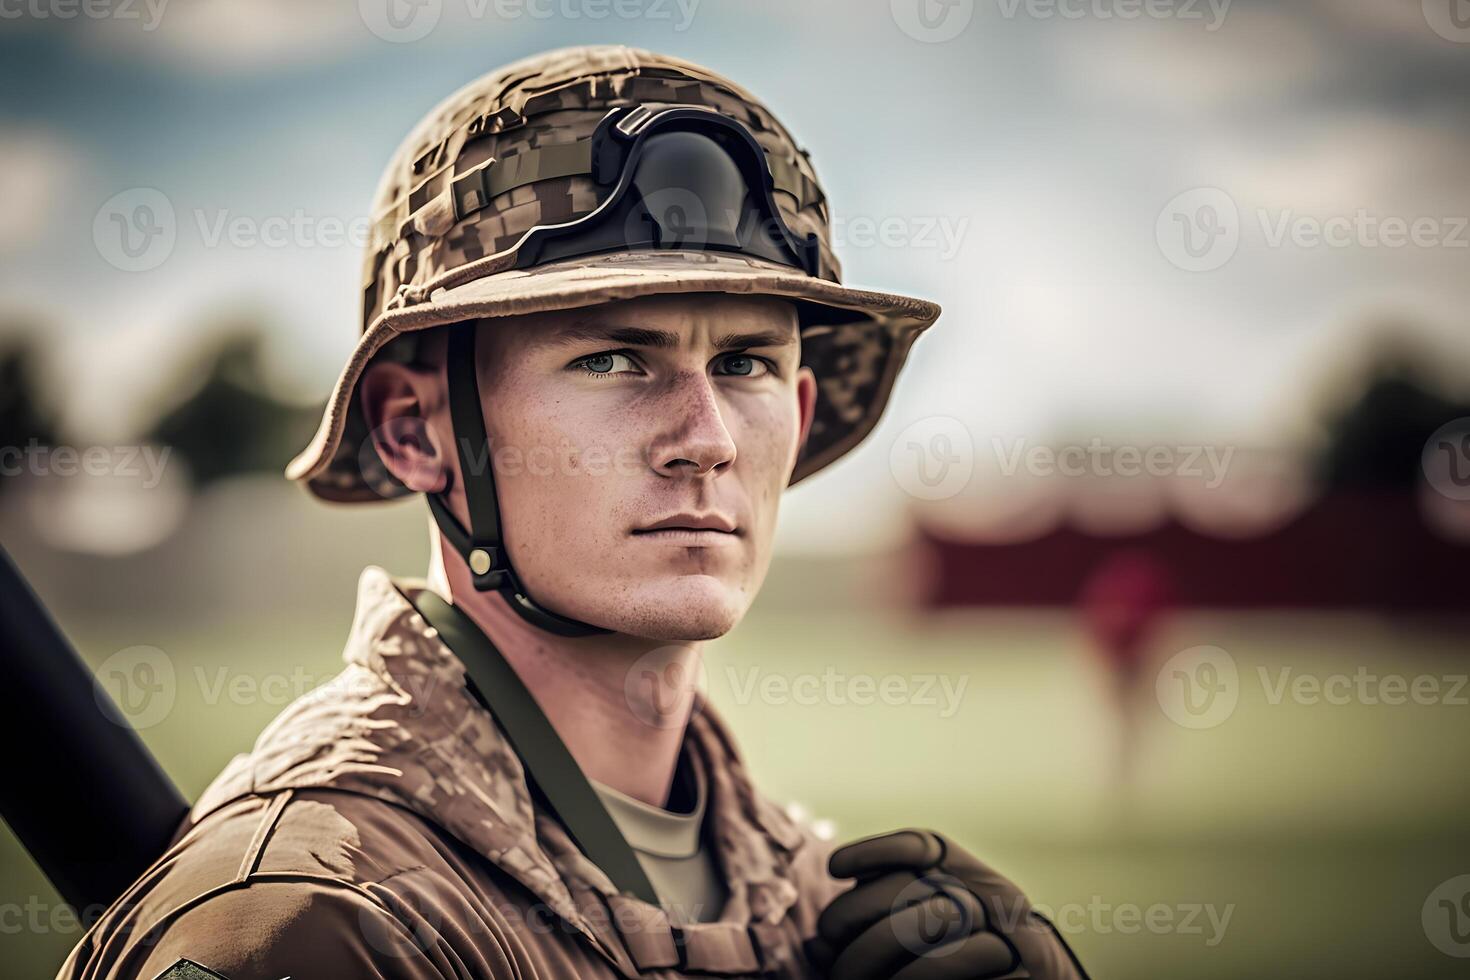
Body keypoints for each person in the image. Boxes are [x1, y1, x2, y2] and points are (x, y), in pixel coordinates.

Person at [57, 45, 1088, 979]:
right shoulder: (315, 923)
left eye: (746, 363)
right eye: (612, 357)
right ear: (416, 429)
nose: (708, 434)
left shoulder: (813, 898)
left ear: (802, 410)